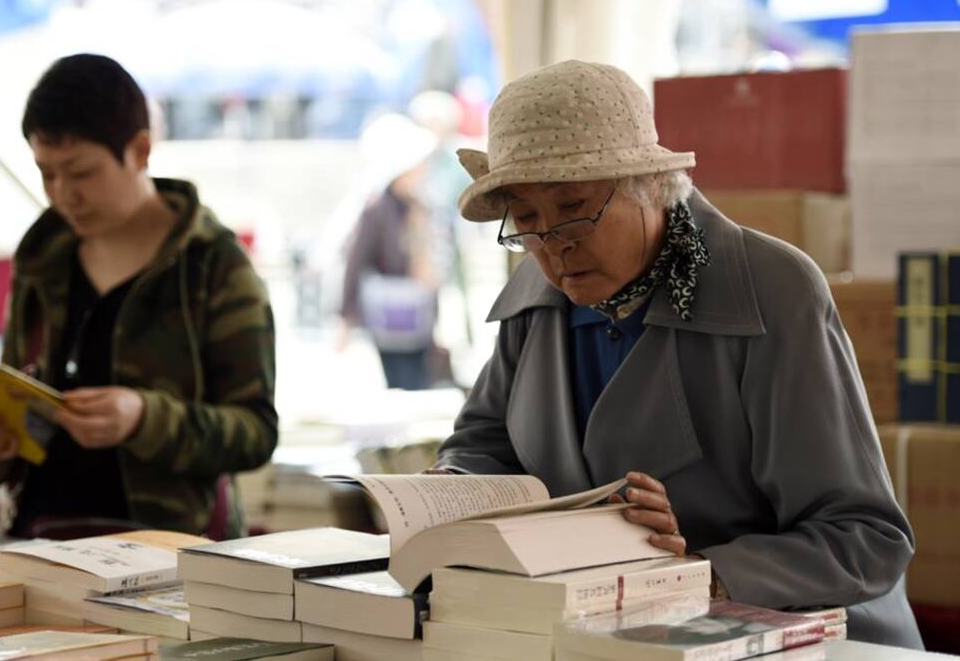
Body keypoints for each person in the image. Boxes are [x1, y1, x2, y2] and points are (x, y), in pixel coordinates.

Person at [430, 60, 922, 649]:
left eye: (573, 208)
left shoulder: (773, 290)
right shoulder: (538, 300)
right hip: (606, 635)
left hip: (804, 638)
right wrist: (446, 491)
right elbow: (483, 447)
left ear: (650, 186)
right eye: (528, 219)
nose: (553, 247)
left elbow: (865, 539)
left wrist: (695, 572)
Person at [0, 54, 277, 539]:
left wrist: (143, 418)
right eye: (46, 172)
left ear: (140, 151)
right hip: (37, 541)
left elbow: (256, 432)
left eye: (81, 172)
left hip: (169, 554)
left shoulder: (213, 266)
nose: (63, 194)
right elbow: (19, 399)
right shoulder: (42, 257)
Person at [339, 113, 440, 390]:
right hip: (390, 317)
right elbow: (356, 261)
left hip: (419, 318)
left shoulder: (419, 208)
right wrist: (346, 318)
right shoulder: (377, 210)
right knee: (402, 385)